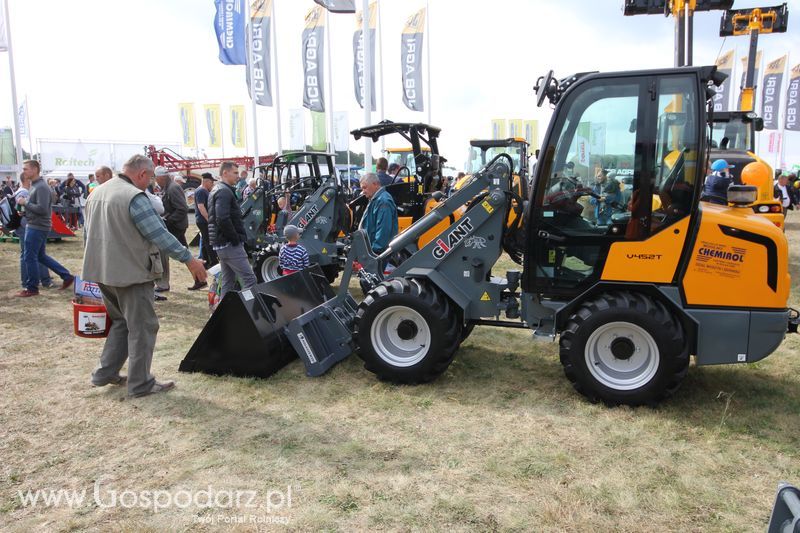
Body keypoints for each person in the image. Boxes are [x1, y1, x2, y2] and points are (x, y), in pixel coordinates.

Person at [83, 154, 206, 397]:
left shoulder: (97, 192)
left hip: (102, 271)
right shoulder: (134, 197)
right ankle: (140, 384)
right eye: (150, 178)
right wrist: (189, 259)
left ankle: (104, 373)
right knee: (143, 327)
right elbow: (159, 234)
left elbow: (88, 236)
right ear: (141, 174)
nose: (151, 183)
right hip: (130, 274)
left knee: (121, 322)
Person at [14, 160, 74, 297]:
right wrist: (25, 212)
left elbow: (42, 209)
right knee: (40, 256)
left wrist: (25, 203)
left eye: (26, 169)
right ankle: (66, 276)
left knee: (30, 257)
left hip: (37, 226)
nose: (24, 171)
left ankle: (32, 288)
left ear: (35, 169)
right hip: (37, 225)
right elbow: (39, 208)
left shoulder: (40, 187)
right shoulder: (36, 185)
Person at [209, 161, 257, 300]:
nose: (238, 176)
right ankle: (248, 309)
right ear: (225, 173)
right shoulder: (224, 191)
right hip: (229, 244)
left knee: (228, 282)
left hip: (222, 244)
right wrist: (235, 239)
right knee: (250, 280)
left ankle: (224, 311)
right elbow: (222, 218)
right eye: (235, 173)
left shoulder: (218, 189)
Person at [13, 172, 54, 290]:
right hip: (28, 225)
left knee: (30, 254)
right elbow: (36, 209)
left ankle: (33, 281)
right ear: (26, 179)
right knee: (32, 255)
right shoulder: (25, 192)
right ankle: (40, 280)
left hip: (25, 225)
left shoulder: (21, 191)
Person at [154, 166, 189, 292]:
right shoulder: (169, 187)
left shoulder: (173, 188)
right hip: (176, 225)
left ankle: (163, 284)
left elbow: (182, 209)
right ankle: (200, 279)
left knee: (163, 253)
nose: (156, 181)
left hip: (176, 226)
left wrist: (168, 220)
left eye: (156, 178)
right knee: (185, 253)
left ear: (162, 177)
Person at [359, 172, 398, 254]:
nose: (363, 192)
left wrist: (374, 252)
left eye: (364, 188)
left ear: (375, 184)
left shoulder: (383, 201)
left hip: (378, 254)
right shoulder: (375, 200)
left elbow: (383, 232)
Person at [190, 173, 217, 286]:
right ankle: (213, 262)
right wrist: (209, 220)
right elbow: (201, 207)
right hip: (203, 221)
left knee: (206, 241)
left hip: (203, 220)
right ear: (206, 181)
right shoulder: (201, 191)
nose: (212, 184)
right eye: (211, 182)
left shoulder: (203, 190)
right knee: (208, 241)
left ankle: (206, 261)